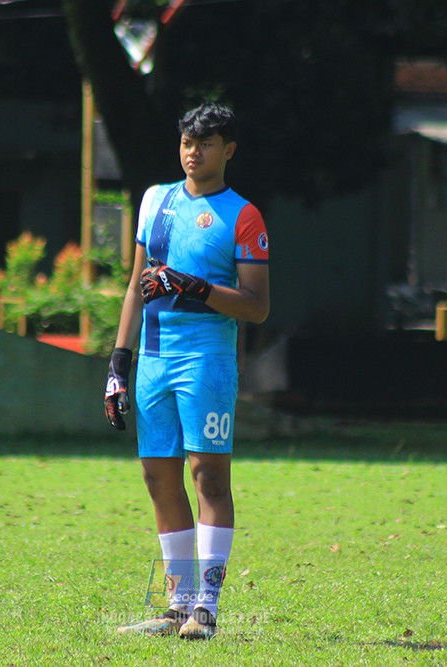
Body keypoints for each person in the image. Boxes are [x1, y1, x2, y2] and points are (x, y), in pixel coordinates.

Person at [104, 102, 269, 640]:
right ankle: (178, 604)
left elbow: (257, 306)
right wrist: (117, 365)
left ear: (229, 150)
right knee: (157, 476)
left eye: (205, 143)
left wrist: (193, 287)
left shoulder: (243, 216)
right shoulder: (156, 200)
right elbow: (135, 286)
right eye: (185, 143)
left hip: (206, 359)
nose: (192, 153)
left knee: (208, 476)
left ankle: (208, 609)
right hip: (152, 359)